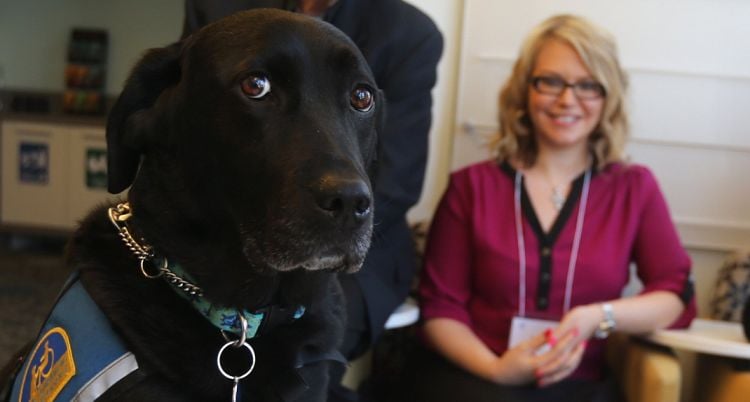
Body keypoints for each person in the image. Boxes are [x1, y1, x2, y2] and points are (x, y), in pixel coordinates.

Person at [414, 14, 696, 402]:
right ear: (524, 88)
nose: (567, 100)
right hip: (477, 379)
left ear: (608, 95)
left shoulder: (635, 188)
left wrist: (599, 316)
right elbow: (439, 310)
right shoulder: (471, 187)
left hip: (580, 389)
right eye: (551, 82)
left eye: (587, 85)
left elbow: (675, 295)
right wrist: (497, 370)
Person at [181, 1, 443, 400]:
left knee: (309, 350)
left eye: (360, 99)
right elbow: (193, 131)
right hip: (236, 226)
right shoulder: (219, 8)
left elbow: (396, 180)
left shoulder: (408, 33)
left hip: (367, 242)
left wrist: (318, 223)